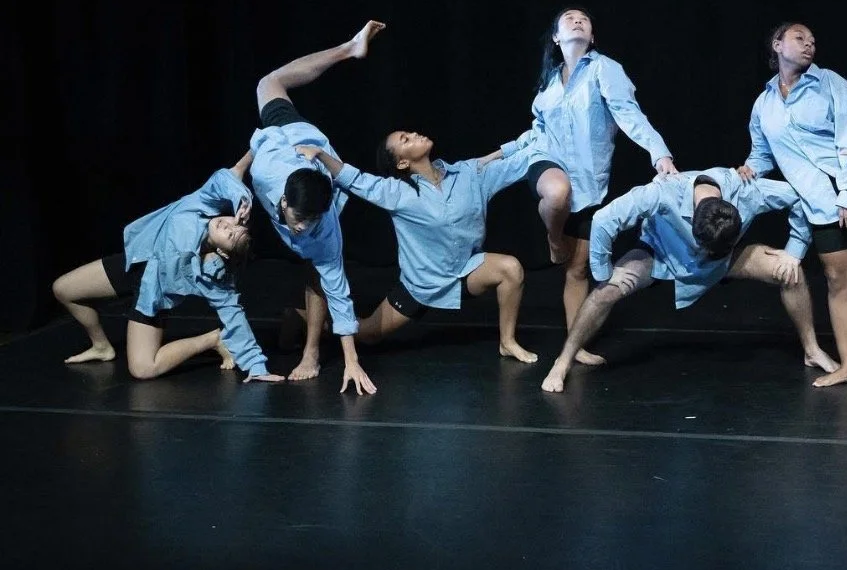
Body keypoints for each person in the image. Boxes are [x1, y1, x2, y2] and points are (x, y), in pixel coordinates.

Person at [479, 7, 678, 366]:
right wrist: (495, 155)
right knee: (557, 193)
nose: (578, 20)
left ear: (592, 36)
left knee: (577, 270)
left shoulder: (605, 69)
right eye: (569, 18)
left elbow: (630, 115)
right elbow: (536, 134)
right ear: (556, 37)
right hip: (547, 162)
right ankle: (554, 239)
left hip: (590, 185)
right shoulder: (549, 82)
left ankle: (575, 344)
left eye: (584, 19)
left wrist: (659, 153)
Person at [539, 166, 840, 393]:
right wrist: (604, 273)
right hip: (662, 256)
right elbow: (605, 219)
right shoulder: (664, 192)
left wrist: (794, 250)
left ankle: (812, 350)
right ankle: (563, 361)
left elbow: (798, 197)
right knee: (606, 291)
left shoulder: (746, 192)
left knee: (791, 273)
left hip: (724, 262)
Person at [291, 128, 540, 363]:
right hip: (421, 285)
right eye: (405, 139)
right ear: (402, 163)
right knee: (367, 335)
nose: (413, 134)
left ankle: (507, 342)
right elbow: (356, 180)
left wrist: (544, 137)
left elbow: (516, 164)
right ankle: (301, 319)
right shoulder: (398, 193)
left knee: (511, 269)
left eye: (409, 133)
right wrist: (321, 155)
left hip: (465, 272)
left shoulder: (467, 174)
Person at [51, 152, 283, 383]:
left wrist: (256, 367)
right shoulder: (200, 207)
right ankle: (102, 346)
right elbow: (230, 175)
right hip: (134, 264)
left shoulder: (213, 273)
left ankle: (214, 339)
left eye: (230, 235)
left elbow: (234, 315)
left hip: (151, 298)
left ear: (223, 252)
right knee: (63, 289)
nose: (227, 225)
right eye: (235, 224)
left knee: (143, 369)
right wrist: (242, 197)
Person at [736, 18, 847, 387]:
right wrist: (750, 168)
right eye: (799, 38)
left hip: (834, 198)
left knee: (837, 281)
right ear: (777, 45)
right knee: (794, 273)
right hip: (801, 202)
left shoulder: (832, 84)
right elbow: (762, 152)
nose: (809, 44)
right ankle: (814, 350)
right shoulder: (764, 102)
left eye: (812, 40)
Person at [249, 20, 384, 396]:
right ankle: (347, 48)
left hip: (319, 159)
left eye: (311, 222)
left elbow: (339, 288)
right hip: (290, 139)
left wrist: (351, 359)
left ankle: (311, 352)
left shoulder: (324, 225)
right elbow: (256, 149)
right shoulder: (266, 170)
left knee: (319, 269)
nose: (302, 227)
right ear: (283, 202)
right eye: (298, 220)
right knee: (268, 83)